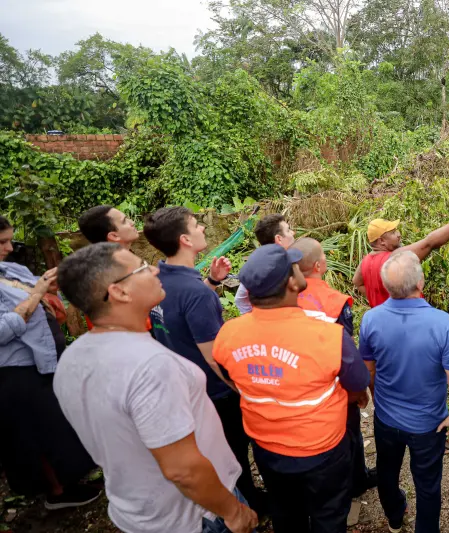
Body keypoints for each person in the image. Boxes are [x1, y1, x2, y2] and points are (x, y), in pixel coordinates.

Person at [54, 243, 258, 533]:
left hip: (136, 509)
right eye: (141, 268)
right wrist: (233, 512)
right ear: (119, 292)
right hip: (197, 515)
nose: (153, 270)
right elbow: (183, 469)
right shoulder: (151, 367)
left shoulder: (73, 357)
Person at [212, 244, 370, 533]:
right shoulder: (328, 336)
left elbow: (229, 374)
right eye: (295, 267)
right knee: (329, 515)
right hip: (323, 450)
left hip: (267, 449)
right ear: (292, 283)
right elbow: (358, 383)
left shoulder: (228, 334)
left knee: (286, 512)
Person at [143, 206, 267, 516]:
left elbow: (179, 320)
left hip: (186, 385)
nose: (202, 228)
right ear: (185, 239)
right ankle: (247, 506)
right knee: (235, 451)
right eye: (196, 225)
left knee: (219, 449)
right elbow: (215, 358)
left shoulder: (159, 279)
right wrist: (244, 391)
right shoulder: (195, 293)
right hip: (216, 391)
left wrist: (211, 281)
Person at [359, 251, 449, 533]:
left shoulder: (371, 319)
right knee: (428, 485)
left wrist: (378, 399)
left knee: (387, 471)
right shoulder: (443, 323)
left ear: (386, 286)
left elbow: (368, 371)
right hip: (428, 425)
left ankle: (395, 518)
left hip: (386, 419)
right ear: (420, 282)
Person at [0, 215, 100, 509]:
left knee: (56, 424)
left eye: (9, 240)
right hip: (17, 370)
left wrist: (51, 286)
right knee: (35, 433)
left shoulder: (10, 268)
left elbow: (42, 291)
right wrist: (36, 295)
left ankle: (71, 480)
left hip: (44, 361)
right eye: (2, 242)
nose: (9, 248)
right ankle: (56, 492)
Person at [291, 237, 377, 524]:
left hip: (292, 385)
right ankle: (353, 485)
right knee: (347, 438)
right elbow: (345, 352)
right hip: (331, 389)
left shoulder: (281, 295)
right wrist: (358, 392)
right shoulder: (334, 302)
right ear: (319, 265)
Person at [353, 209, 449, 308]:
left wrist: (377, 300)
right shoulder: (394, 258)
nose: (398, 234)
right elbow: (429, 243)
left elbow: (357, 282)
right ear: (381, 241)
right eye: (393, 233)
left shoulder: (365, 262)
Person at [78, 205, 144, 330]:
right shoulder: (109, 274)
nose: (132, 222)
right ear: (114, 236)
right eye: (124, 221)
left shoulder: (123, 260)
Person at [235, 213, 296, 315]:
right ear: (279, 239)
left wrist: (252, 317)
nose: (293, 233)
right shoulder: (292, 263)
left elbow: (240, 298)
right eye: (288, 230)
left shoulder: (256, 265)